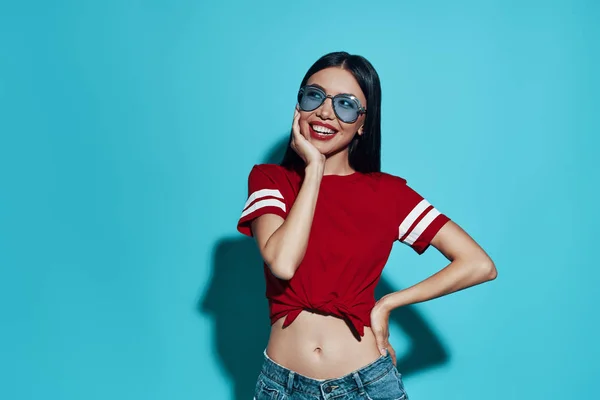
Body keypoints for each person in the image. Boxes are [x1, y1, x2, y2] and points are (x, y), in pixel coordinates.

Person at [237, 51, 497, 400]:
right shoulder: (271, 180)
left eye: (346, 104)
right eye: (314, 95)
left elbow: (479, 265)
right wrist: (314, 169)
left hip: (368, 385)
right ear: (299, 104)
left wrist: (388, 303)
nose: (326, 112)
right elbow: (283, 263)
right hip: (282, 386)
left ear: (363, 123)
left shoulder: (387, 194)